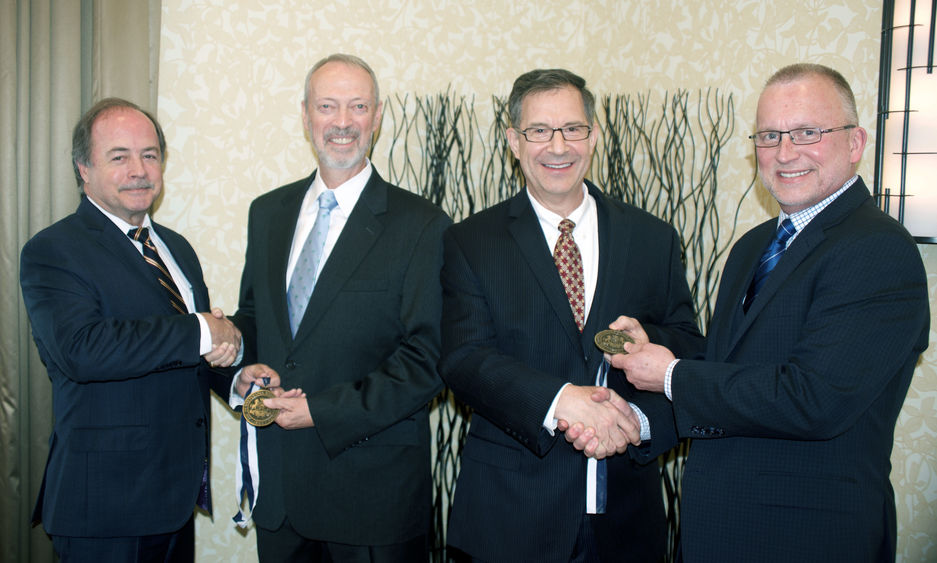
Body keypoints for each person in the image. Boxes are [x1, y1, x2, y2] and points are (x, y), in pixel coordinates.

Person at [604, 63, 930, 562]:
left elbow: (812, 399)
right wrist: (637, 422)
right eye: (769, 135)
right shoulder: (753, 247)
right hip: (720, 534)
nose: (785, 152)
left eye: (807, 132)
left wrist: (671, 375)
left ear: (856, 142)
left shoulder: (878, 249)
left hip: (807, 539)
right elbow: (728, 380)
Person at [438, 68, 705, 563]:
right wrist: (563, 401)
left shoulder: (653, 238)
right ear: (513, 141)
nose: (558, 146)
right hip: (511, 518)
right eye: (539, 131)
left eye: (573, 129)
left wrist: (637, 420)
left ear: (594, 135)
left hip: (629, 519)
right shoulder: (471, 241)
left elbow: (689, 346)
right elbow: (464, 359)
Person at [20, 97, 266, 561]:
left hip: (175, 503)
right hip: (104, 510)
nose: (139, 169)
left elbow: (190, 350)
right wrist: (201, 330)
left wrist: (234, 377)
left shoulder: (175, 248)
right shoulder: (53, 250)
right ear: (83, 169)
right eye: (119, 156)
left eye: (150, 155)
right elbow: (82, 349)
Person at [230, 53, 451, 562]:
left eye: (358, 106)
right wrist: (241, 372)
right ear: (305, 114)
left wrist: (322, 411)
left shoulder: (421, 224)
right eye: (327, 106)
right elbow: (256, 320)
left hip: (372, 502)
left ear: (377, 116)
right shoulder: (267, 213)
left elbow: (428, 357)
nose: (343, 122)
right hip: (282, 499)